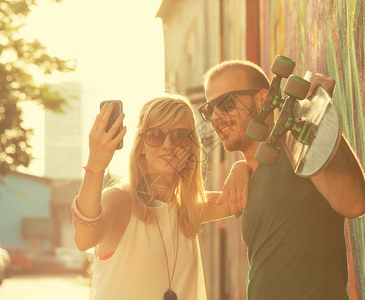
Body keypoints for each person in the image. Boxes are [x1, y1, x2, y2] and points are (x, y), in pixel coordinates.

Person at [199, 60, 365, 299]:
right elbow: (182, 208)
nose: (216, 116)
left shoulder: (297, 149)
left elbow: (355, 203)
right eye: (209, 110)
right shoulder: (249, 174)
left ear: (262, 98)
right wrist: (241, 167)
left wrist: (323, 120)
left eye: (226, 103)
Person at [72, 94, 249, 300]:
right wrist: (96, 164)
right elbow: (84, 239)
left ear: (191, 148)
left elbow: (250, 196)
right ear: (141, 147)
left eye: (180, 135)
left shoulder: (189, 208)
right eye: (155, 134)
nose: (167, 144)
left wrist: (241, 166)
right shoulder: (120, 199)